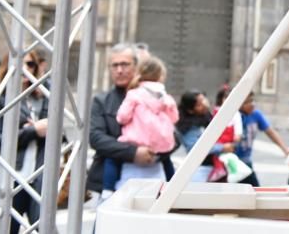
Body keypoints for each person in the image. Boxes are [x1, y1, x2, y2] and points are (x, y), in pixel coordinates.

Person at [0, 51, 49, 234]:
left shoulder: (43, 99)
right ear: (8, 67)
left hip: (38, 177)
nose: (25, 69)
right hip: (9, 178)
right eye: (20, 64)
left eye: (30, 65)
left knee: (44, 228)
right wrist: (32, 131)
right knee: (6, 230)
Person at [88, 44, 157, 201]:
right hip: (108, 180)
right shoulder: (101, 101)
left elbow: (173, 136)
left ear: (136, 66)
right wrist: (133, 153)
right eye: (115, 65)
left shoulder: (153, 97)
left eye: (125, 64)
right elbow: (96, 138)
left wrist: (153, 151)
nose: (119, 70)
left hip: (149, 180)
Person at [102, 56, 178, 192]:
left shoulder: (134, 94)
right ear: (161, 76)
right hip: (160, 145)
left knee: (111, 159)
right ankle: (175, 188)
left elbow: (122, 117)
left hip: (136, 142)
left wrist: (123, 121)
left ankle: (107, 190)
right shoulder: (165, 97)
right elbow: (174, 118)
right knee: (166, 166)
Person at [235, 91, 289, 186]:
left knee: (255, 189)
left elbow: (270, 132)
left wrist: (285, 149)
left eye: (252, 100)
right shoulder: (234, 116)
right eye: (247, 102)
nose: (252, 104)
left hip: (246, 161)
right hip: (231, 162)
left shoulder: (256, 115)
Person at [176, 91, 231, 182]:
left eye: (203, 100)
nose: (204, 104)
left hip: (215, 164)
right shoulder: (187, 125)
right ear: (190, 109)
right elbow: (194, 147)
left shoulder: (204, 116)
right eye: (199, 104)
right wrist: (222, 148)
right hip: (201, 168)